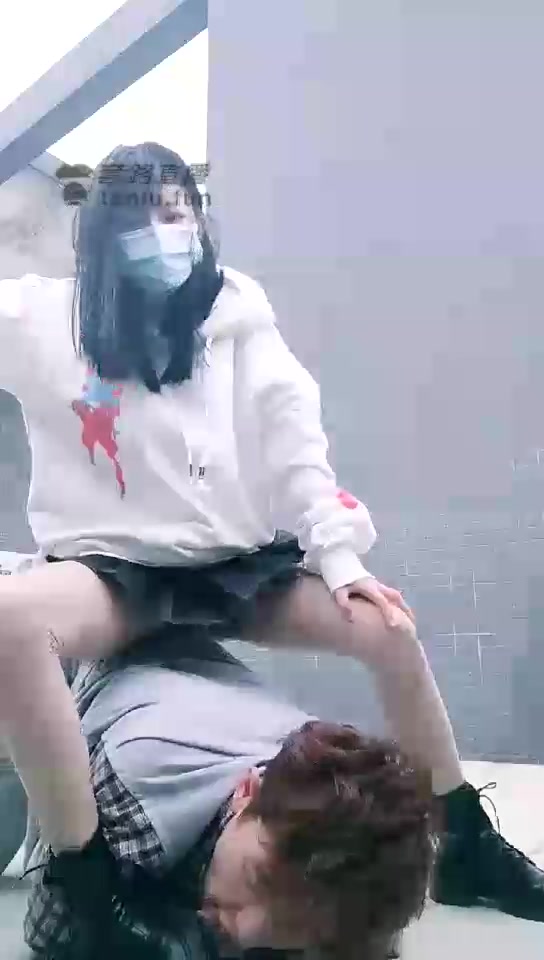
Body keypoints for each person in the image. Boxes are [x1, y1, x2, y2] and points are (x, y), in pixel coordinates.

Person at [0, 141, 542, 953]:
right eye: (143, 217)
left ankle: (464, 844)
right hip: (113, 574)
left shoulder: (234, 312)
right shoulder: (45, 318)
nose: (165, 231)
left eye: (178, 212)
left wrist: (339, 558)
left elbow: (293, 436)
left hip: (233, 568)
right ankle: (84, 888)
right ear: (103, 233)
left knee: (387, 630)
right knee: (10, 618)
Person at [23, 630, 434, 959]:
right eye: (257, 878)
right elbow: (47, 932)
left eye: (292, 925)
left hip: (180, 664)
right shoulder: (141, 796)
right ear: (247, 790)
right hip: (60, 666)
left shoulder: (318, 791)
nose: (247, 931)